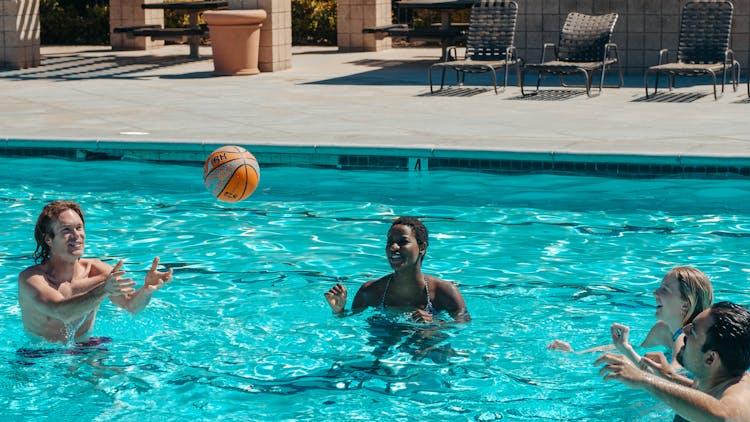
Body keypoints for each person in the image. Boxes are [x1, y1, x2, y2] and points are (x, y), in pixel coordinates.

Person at [18, 200, 173, 343]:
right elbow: (62, 312)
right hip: (41, 355)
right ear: (48, 239)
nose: (76, 235)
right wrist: (103, 290)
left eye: (79, 228)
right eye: (66, 230)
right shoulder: (32, 279)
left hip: (84, 348)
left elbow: (131, 306)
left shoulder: (98, 271)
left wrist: (146, 290)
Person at [548, 266, 712, 379]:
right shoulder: (663, 329)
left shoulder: (686, 338)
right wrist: (576, 354)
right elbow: (636, 349)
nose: (655, 293)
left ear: (685, 304)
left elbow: (673, 379)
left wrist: (628, 353)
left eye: (665, 289)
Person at [596, 301, 750, 422]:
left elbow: (726, 417)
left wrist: (644, 380)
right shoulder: (714, 378)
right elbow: (705, 397)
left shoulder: (742, 392)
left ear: (710, 358)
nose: (684, 331)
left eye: (693, 331)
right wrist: (669, 377)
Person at [324, 216, 470, 323]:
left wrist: (435, 325)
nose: (393, 247)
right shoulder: (369, 292)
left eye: (403, 242)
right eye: (390, 242)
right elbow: (351, 325)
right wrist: (339, 312)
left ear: (422, 248)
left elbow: (464, 324)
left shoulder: (444, 292)